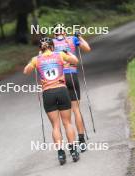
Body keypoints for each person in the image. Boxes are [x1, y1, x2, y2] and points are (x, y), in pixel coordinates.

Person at [24, 37, 80, 164]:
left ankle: (61, 154)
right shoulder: (59, 55)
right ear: (52, 46)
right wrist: (67, 52)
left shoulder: (36, 59)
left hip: (48, 93)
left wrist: (33, 60)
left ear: (40, 48)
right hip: (61, 90)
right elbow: (75, 61)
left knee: (55, 125)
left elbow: (26, 71)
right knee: (67, 123)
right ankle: (73, 151)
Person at [52, 23, 91, 151]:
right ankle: (81, 139)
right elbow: (87, 48)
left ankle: (70, 145)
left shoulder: (51, 43)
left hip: (59, 79)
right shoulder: (72, 39)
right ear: (64, 32)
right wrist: (79, 36)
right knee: (76, 109)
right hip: (72, 76)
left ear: (54, 33)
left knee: (64, 115)